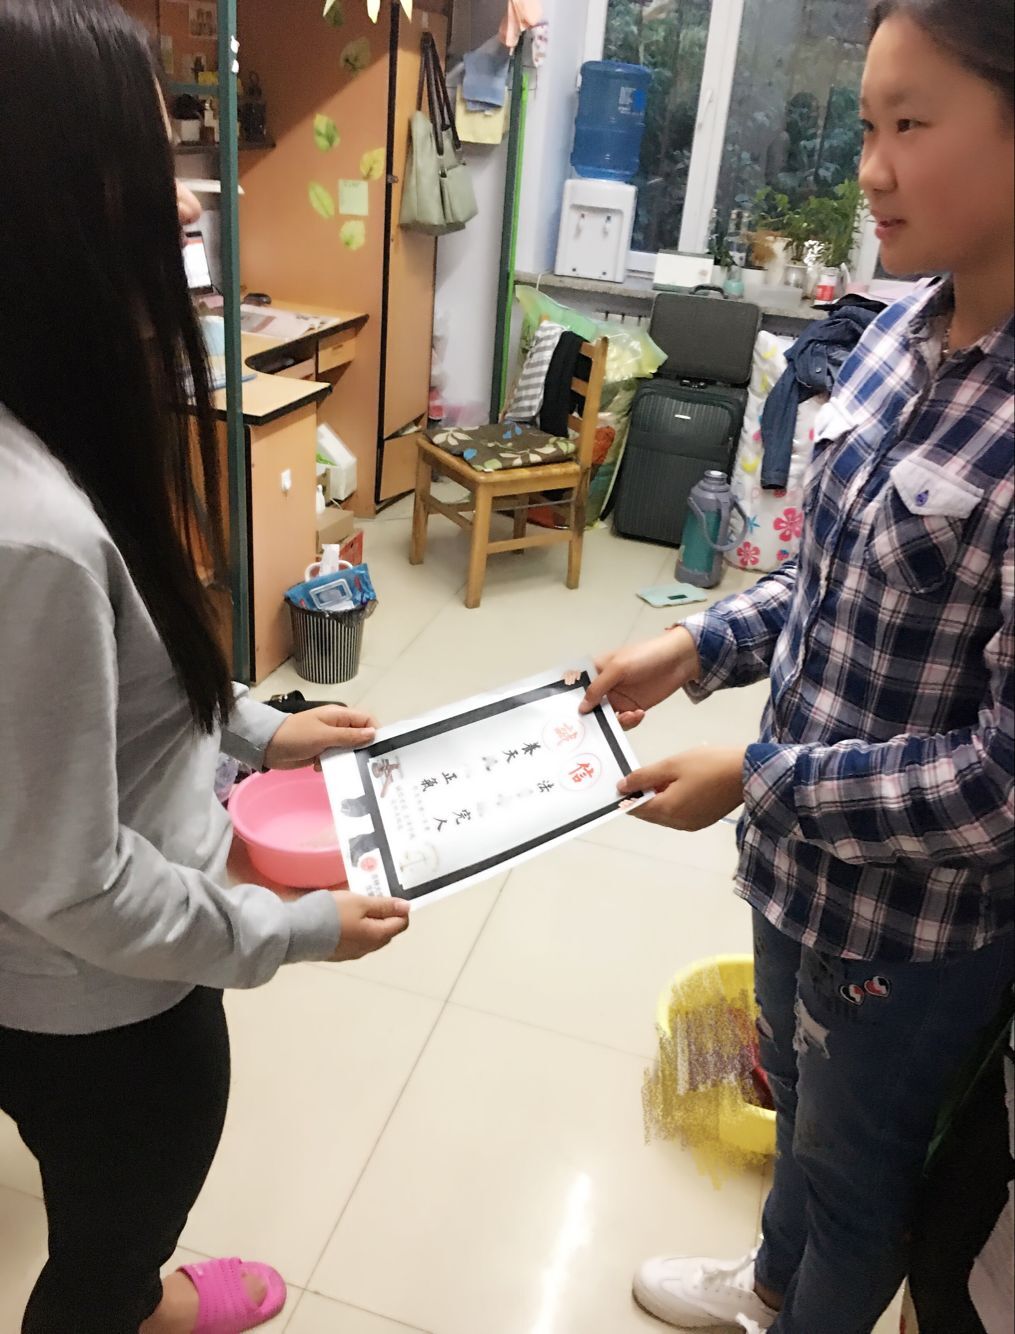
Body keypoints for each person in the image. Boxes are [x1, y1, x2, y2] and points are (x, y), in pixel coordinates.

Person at [582, 1, 1014, 1330]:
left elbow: (1001, 784)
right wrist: (694, 644)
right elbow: (827, 577)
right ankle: (771, 1285)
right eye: (867, 125)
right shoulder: (894, 331)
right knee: (792, 1106)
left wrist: (757, 777)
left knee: (855, 1176)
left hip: (912, 931)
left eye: (910, 125)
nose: (870, 169)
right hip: (796, 873)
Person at [0, 3, 410, 1332]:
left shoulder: (45, 441)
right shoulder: (35, 538)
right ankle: (127, 1297)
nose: (186, 205)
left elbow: (96, 687)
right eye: (152, 161)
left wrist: (256, 729)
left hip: (45, 967)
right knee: (107, 1234)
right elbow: (72, 877)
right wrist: (289, 931)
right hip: (91, 1003)